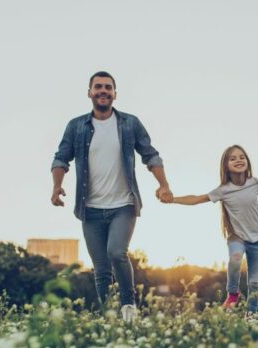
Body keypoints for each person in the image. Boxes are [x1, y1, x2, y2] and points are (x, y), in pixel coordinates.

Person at [51, 71, 172, 322]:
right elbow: (61, 158)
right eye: (98, 87)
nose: (103, 91)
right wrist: (56, 186)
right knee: (101, 270)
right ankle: (109, 317)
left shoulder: (130, 123)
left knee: (117, 252)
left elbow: (150, 155)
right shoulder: (76, 126)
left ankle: (128, 307)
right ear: (89, 93)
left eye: (108, 87)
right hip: (90, 208)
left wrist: (163, 185)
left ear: (115, 94)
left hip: (123, 205)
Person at [163, 144, 258, 316]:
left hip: (257, 239)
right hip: (236, 237)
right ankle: (233, 293)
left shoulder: (254, 183)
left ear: (247, 161)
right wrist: (173, 199)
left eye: (242, 157)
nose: (239, 160)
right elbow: (196, 199)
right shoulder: (223, 190)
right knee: (235, 259)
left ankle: (251, 314)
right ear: (226, 166)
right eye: (233, 158)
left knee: (254, 282)